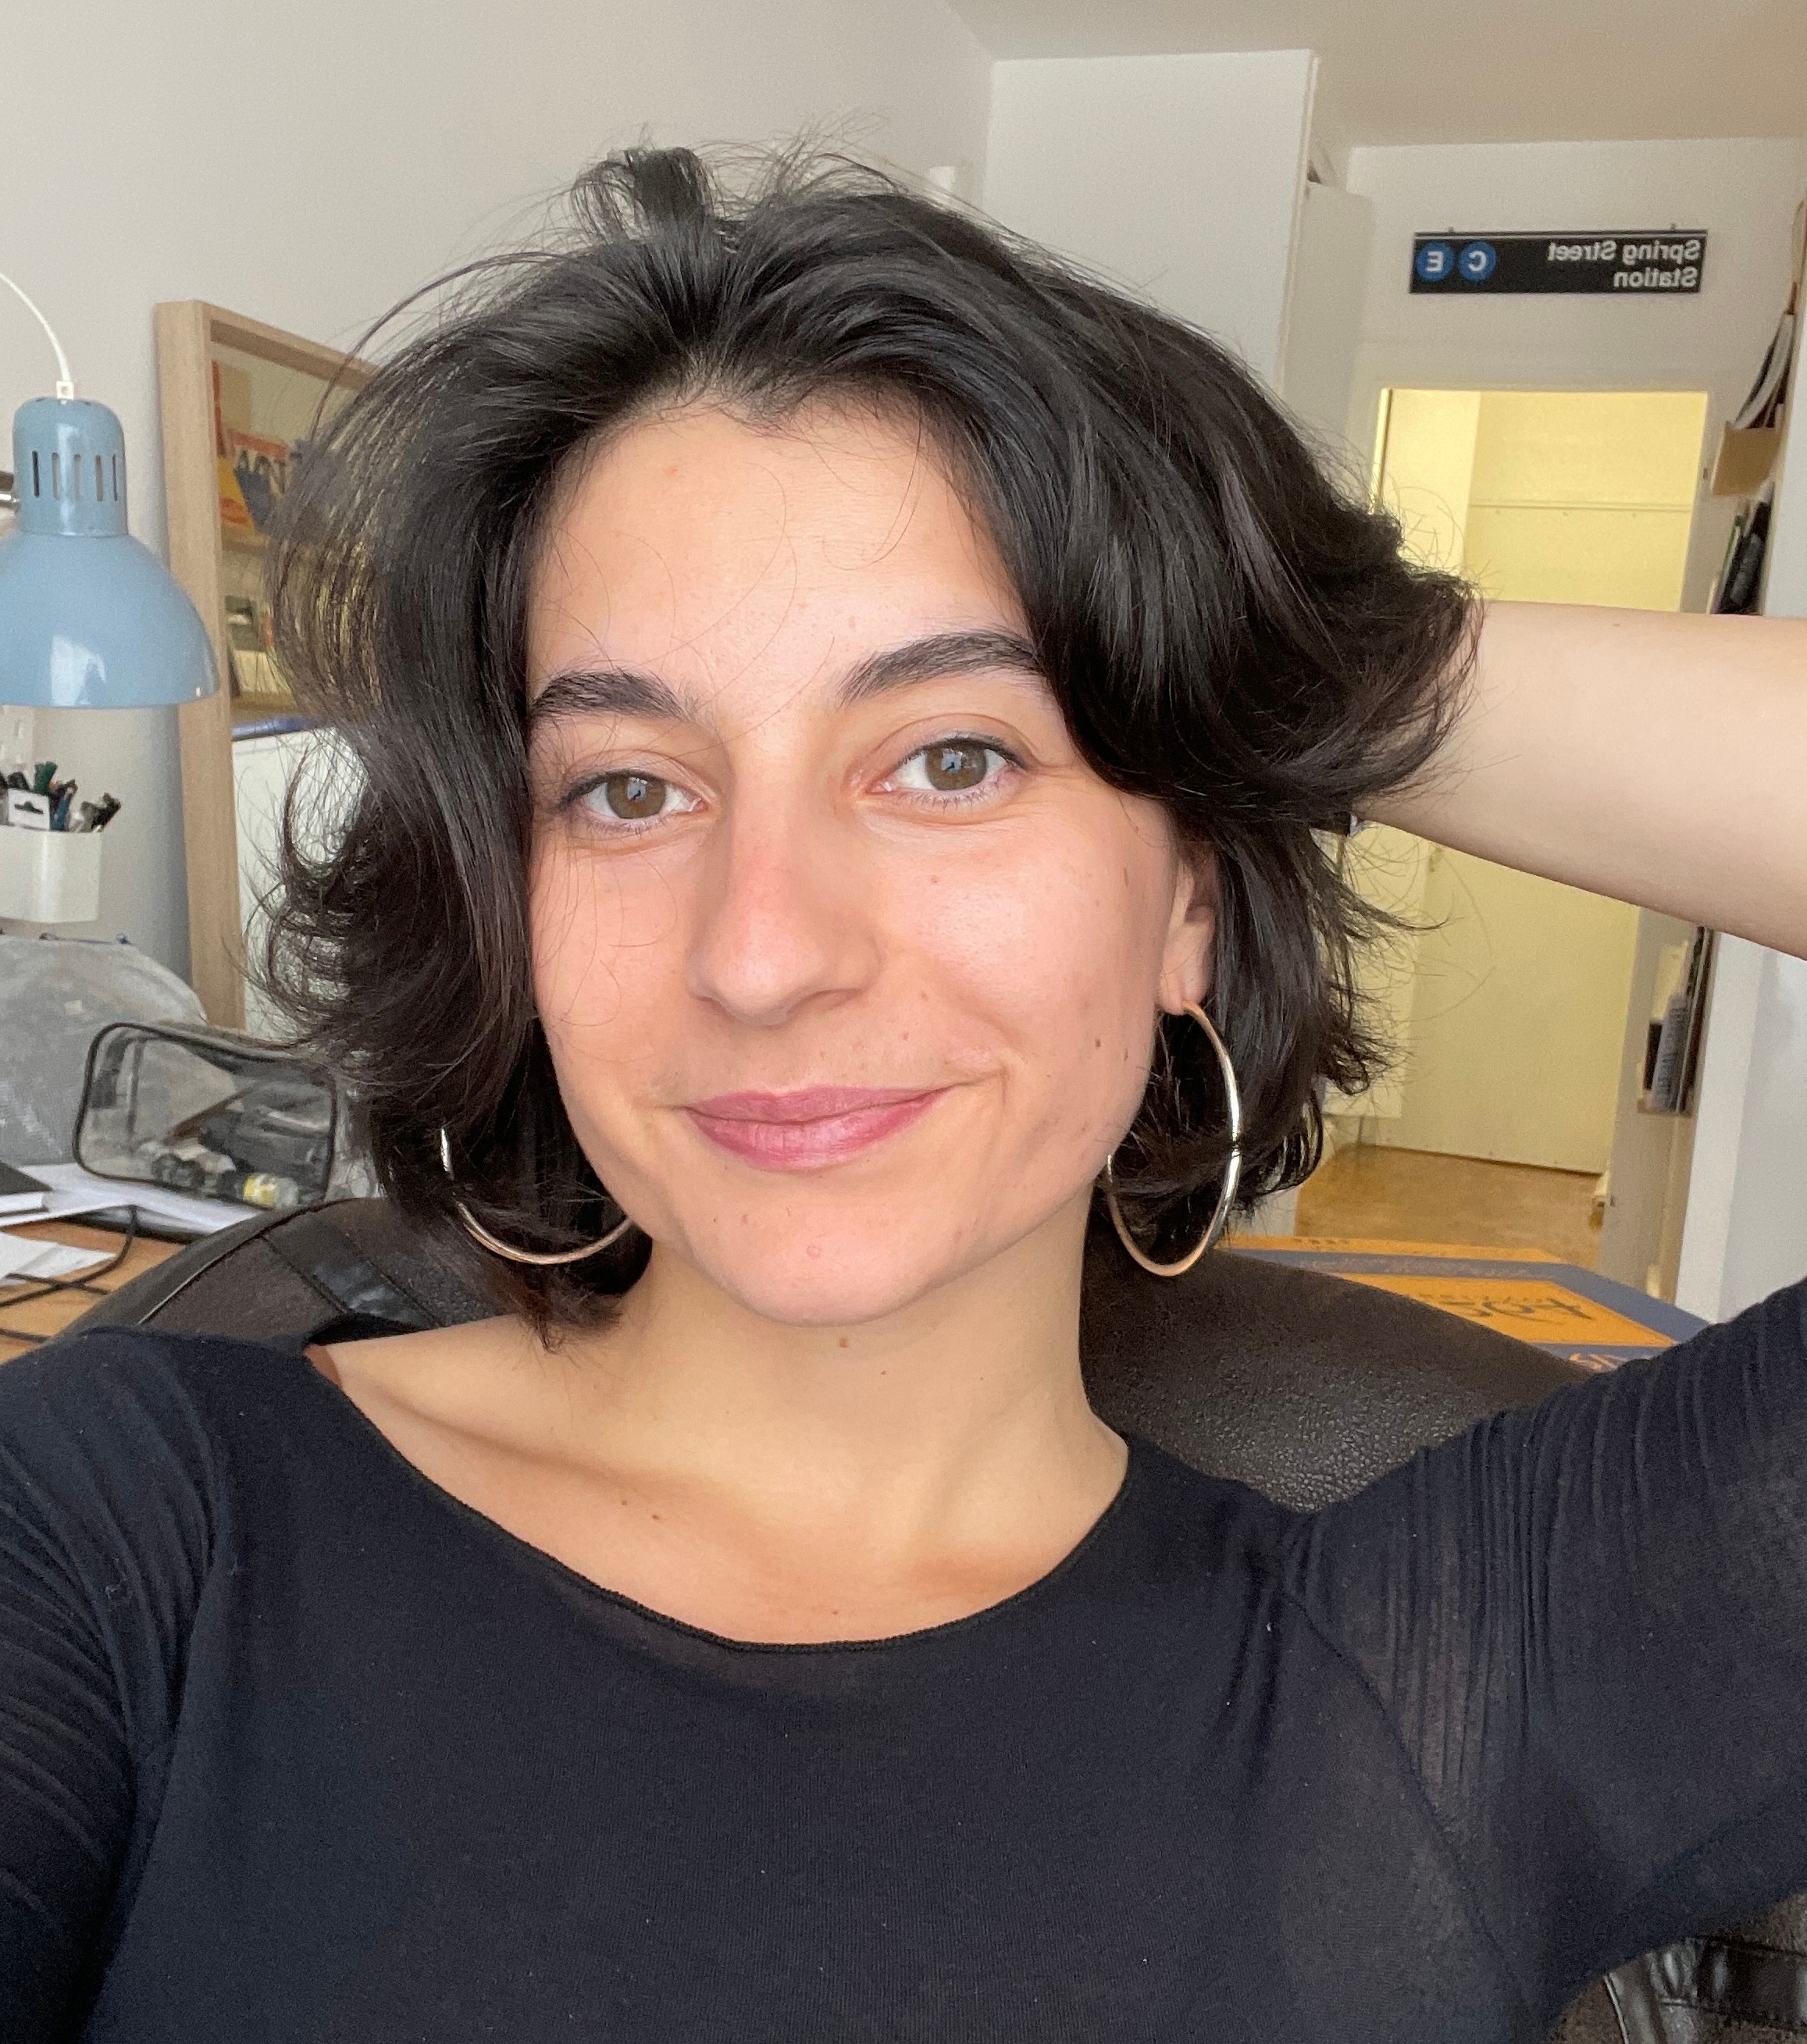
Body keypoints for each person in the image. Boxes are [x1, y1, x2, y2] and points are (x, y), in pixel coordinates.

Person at [2, 147, 1805, 2044]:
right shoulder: (132, 1532)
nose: (761, 950)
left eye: (951, 756)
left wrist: (1302, 655)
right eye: (626, 786)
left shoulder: (1455, 1686)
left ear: (1187, 894)